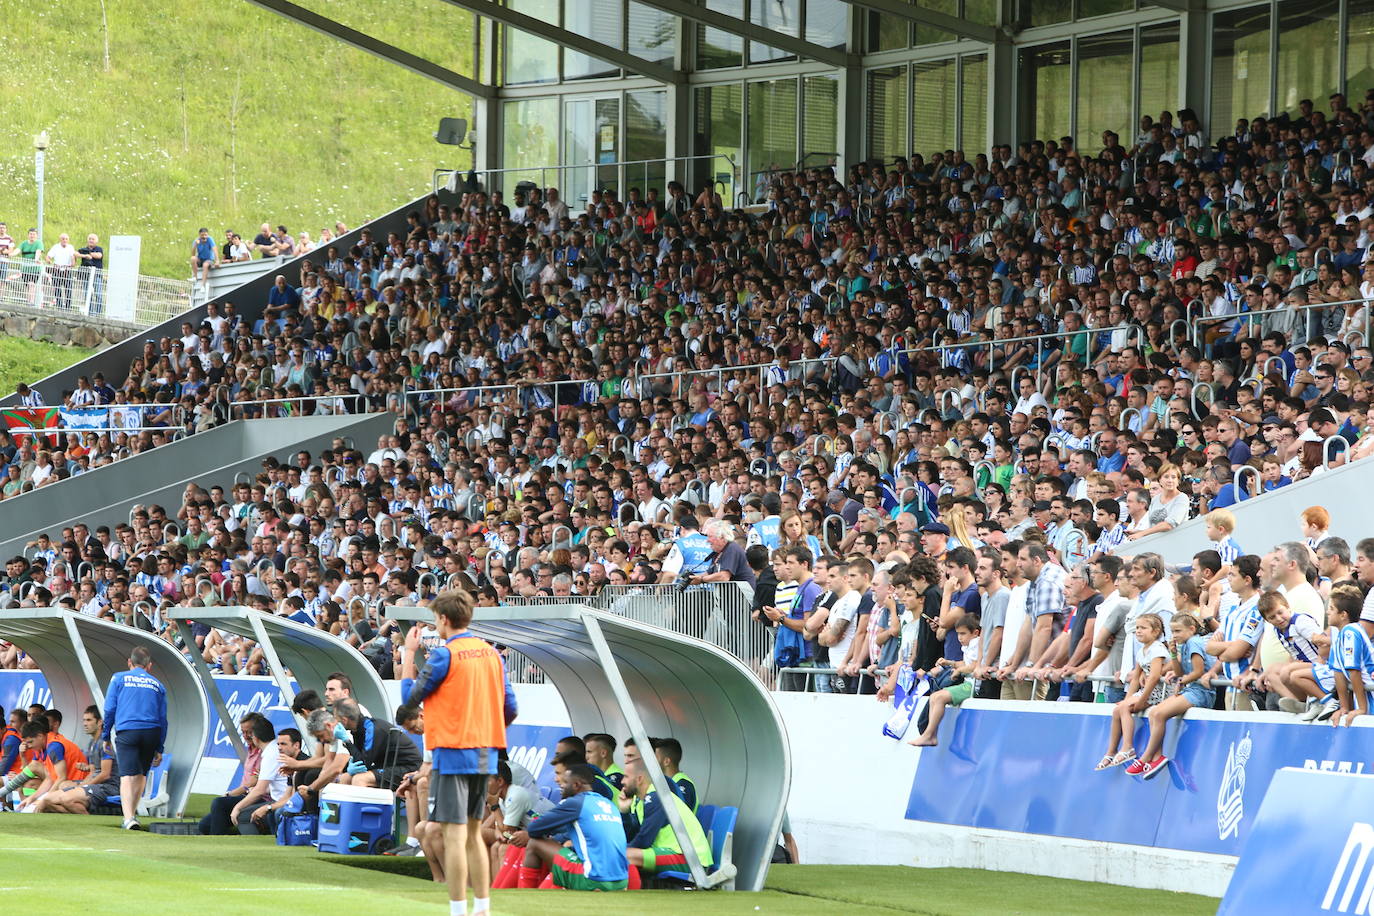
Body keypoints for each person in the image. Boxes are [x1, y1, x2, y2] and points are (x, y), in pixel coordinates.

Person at [402, 588, 517, 916]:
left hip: (453, 752)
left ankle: (457, 909)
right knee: (471, 834)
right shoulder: (492, 654)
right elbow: (510, 707)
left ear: (443, 618)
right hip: (485, 753)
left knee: (453, 835)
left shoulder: (444, 655)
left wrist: (409, 654)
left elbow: (411, 698)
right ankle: (482, 907)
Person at [1125, 613, 1214, 779]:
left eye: (1178, 631)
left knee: (1158, 713)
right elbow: (1180, 671)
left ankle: (1147, 757)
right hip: (1189, 690)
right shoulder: (1184, 644)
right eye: (1172, 632)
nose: (1175, 635)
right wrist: (1173, 654)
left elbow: (1198, 671)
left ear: (1192, 629)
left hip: (1200, 692)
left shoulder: (1194, 642)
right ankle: (1156, 758)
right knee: (1154, 712)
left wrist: (1182, 680)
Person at [521, 762, 629, 891]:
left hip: (593, 880)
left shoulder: (575, 803)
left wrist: (549, 832)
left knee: (534, 843)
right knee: (568, 850)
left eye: (565, 782)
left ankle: (526, 892)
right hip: (622, 882)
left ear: (576, 785)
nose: (560, 785)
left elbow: (534, 829)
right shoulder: (608, 803)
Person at [101, 645, 168, 830]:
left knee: (126, 775)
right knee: (141, 774)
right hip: (151, 731)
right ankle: (133, 815)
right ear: (149, 666)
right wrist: (159, 747)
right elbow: (163, 718)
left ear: (129, 662)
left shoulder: (118, 678)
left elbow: (109, 709)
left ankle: (128, 817)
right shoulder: (158, 684)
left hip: (128, 730)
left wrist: (105, 735)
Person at [1094, 613, 1168, 770]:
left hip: (1158, 694)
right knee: (1117, 710)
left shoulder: (1157, 649)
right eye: (1137, 628)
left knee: (1124, 708)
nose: (1138, 631)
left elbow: (1154, 677)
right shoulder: (1142, 651)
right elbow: (1135, 678)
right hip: (1146, 691)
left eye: (1143, 628)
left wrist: (1141, 700)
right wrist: (1127, 698)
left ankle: (1128, 747)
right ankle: (1111, 750)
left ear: (1155, 632)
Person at [624, 757, 713, 880]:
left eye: (626, 777)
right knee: (625, 853)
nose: (622, 781)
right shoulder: (643, 800)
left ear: (639, 779)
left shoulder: (656, 798)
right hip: (675, 853)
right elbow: (634, 834)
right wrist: (624, 811)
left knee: (627, 855)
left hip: (690, 859)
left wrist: (618, 849)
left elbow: (644, 841)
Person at [906, 614, 981, 747]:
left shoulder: (976, 643)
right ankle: (930, 734)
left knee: (938, 698)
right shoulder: (969, 645)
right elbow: (965, 662)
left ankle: (929, 735)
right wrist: (950, 663)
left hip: (972, 686)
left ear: (975, 633)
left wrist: (959, 670)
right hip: (967, 683)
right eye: (958, 634)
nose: (960, 637)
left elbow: (974, 665)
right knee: (934, 697)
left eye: (963, 633)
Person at [229, 717, 290, 835]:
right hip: (279, 799)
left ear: (255, 737)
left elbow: (260, 790)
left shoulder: (270, 754)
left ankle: (253, 845)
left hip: (280, 801)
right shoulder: (272, 750)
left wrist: (237, 807)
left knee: (242, 815)